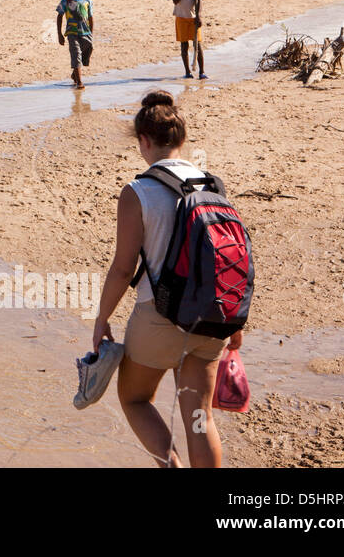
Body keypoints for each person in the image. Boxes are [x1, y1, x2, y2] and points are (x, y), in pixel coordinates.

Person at [91, 91, 238, 467]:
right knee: (198, 416)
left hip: (158, 317)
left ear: (143, 141)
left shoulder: (137, 192)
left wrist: (101, 319)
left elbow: (123, 269)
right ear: (182, 140)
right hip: (212, 316)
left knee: (135, 399)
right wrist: (236, 325)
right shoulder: (213, 185)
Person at [171, 0, 207, 79]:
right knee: (184, 45)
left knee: (197, 45)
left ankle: (202, 72)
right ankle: (187, 72)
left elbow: (199, 1)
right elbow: (176, 1)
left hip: (193, 19)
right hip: (181, 18)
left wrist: (199, 15)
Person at [56, 0, 94, 89]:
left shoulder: (87, 1)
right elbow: (59, 16)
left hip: (85, 33)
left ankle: (75, 74)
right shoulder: (66, 1)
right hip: (72, 34)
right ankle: (79, 82)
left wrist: (91, 32)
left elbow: (91, 17)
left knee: (88, 49)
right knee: (76, 55)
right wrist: (60, 34)